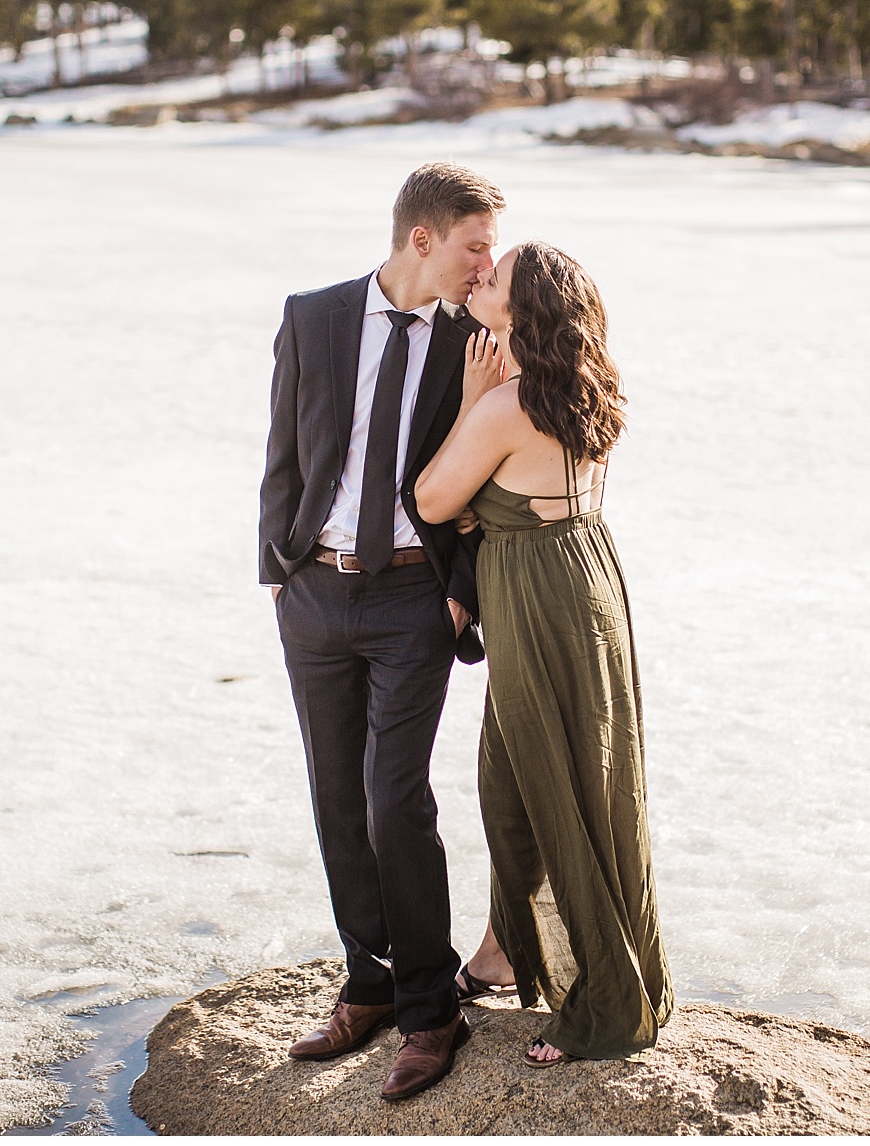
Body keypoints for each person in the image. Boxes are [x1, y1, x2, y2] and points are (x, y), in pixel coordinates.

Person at [258, 162, 504, 1100]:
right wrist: (276, 572)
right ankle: (367, 981)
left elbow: (490, 484)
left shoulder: (478, 339)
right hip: (315, 593)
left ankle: (430, 1009)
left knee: (393, 799)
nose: (487, 266)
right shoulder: (313, 316)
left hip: (414, 600)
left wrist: (460, 595)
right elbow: (282, 447)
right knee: (334, 796)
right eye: (475, 246)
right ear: (422, 240)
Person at [413, 240, 674, 1068]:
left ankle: (602, 996)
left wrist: (468, 398)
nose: (480, 277)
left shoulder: (506, 403)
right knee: (558, 776)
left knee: (548, 783)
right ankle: (500, 951)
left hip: (537, 599)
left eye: (496, 277)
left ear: (520, 315)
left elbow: (431, 495)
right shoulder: (584, 390)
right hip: (589, 582)